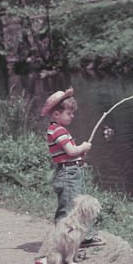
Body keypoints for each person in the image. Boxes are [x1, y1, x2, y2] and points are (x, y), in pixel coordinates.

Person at [41, 88, 104, 247]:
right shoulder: (58, 130)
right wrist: (83, 147)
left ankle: (84, 237)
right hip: (68, 174)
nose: (72, 116)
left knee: (79, 205)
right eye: (69, 113)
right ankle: (62, 241)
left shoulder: (57, 130)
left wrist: (80, 155)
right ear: (56, 114)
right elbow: (71, 151)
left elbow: (69, 154)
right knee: (68, 207)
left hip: (72, 171)